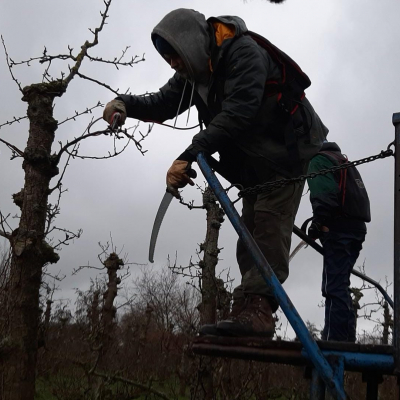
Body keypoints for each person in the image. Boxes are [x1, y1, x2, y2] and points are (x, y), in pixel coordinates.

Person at [103, 9, 328, 337]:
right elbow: (163, 103)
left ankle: (260, 312)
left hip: (286, 154)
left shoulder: (244, 54)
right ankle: (246, 308)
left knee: (267, 227)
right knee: (248, 234)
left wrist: (188, 154)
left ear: (191, 43)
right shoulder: (196, 75)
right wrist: (123, 104)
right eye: (166, 58)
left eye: (174, 54)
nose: (172, 63)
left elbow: (239, 112)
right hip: (255, 165)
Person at [306, 141, 371, 342]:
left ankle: (336, 339)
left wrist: (318, 222)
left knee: (333, 286)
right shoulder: (344, 162)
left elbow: (324, 195)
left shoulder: (319, 161)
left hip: (339, 230)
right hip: (357, 230)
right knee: (340, 283)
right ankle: (344, 335)